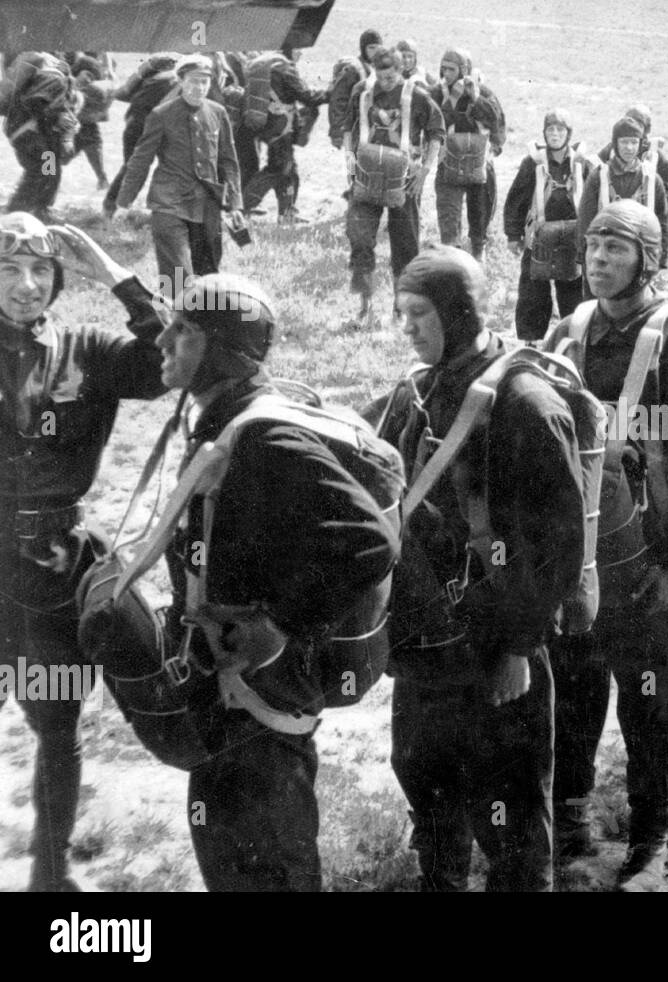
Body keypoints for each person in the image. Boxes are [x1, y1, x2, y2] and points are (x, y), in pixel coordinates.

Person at [155, 273, 398, 890]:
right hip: (229, 679)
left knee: (271, 854)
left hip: (262, 684)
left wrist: (278, 626)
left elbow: (370, 540)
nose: (163, 339)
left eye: (182, 330)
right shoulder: (226, 414)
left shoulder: (263, 432)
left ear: (219, 351)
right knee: (227, 844)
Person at [364, 247, 585, 891]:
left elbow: (559, 545)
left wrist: (521, 646)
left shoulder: (525, 404)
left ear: (459, 313)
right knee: (424, 773)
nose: (408, 328)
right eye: (402, 313)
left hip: (498, 641)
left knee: (509, 803)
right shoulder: (418, 388)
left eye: (421, 314)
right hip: (427, 635)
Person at [544, 199, 668, 891]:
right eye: (593, 247)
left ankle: (652, 835)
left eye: (616, 249)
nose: (599, 260)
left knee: (654, 698)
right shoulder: (570, 332)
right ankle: (569, 815)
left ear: (648, 261)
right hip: (580, 560)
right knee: (572, 686)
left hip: (651, 560)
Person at [0, 213, 169, 890]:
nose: (26, 286)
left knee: (55, 713)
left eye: (41, 271)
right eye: (9, 270)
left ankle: (49, 868)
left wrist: (117, 276)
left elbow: (175, 359)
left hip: (52, 566)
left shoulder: (88, 350)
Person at [114, 55, 243, 302]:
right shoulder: (161, 115)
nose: (200, 88)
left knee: (209, 276)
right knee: (176, 279)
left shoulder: (218, 113)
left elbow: (229, 161)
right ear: (180, 81)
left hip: (207, 205)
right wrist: (124, 201)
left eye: (205, 82)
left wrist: (235, 204)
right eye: (194, 82)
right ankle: (173, 327)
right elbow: (140, 160)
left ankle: (207, 329)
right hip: (168, 203)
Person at [344, 47, 444, 317]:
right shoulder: (363, 92)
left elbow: (436, 133)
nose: (384, 82)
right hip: (366, 175)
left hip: (404, 179)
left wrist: (424, 171)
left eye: (390, 77)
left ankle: (401, 309)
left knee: (405, 244)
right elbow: (348, 126)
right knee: (360, 235)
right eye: (379, 76)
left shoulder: (418, 96)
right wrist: (348, 157)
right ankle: (364, 307)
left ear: (401, 71)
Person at [504, 109, 593, 342]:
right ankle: (531, 341)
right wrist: (513, 235)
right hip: (539, 238)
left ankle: (572, 340)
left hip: (572, 241)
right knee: (533, 292)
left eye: (560, 130)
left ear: (569, 133)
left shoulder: (582, 164)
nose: (555, 134)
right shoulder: (532, 163)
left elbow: (594, 200)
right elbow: (517, 199)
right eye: (550, 130)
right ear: (544, 133)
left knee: (572, 292)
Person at [431, 48, 507, 260]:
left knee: (480, 212)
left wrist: (475, 98)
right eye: (443, 69)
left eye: (451, 69)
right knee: (448, 214)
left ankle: (478, 251)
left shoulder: (483, 92)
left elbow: (497, 121)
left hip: (479, 164)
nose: (446, 73)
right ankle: (452, 256)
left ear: (464, 70)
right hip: (449, 162)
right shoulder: (438, 93)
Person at [241, 49, 327, 224]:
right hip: (280, 127)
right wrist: (331, 93)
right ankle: (242, 208)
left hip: (270, 125)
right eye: (298, 50)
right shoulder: (284, 68)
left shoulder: (269, 63)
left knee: (288, 170)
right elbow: (307, 96)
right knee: (276, 170)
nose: (300, 54)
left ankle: (287, 212)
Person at [3, 53, 80, 220]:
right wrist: (52, 122)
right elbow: (36, 102)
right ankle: (17, 211)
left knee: (49, 170)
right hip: (27, 129)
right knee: (42, 169)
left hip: (25, 129)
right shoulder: (57, 81)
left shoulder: (61, 84)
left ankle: (36, 210)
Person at [576, 114, 668, 251]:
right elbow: (585, 221)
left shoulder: (652, 179)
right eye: (624, 142)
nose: (629, 147)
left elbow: (663, 222)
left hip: (641, 253)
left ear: (640, 144)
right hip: (606, 252)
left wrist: (661, 258)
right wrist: (585, 257)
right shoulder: (598, 177)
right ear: (615, 144)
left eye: (634, 142)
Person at [103, 52, 179, 216]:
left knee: (131, 168)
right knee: (136, 170)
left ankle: (112, 207)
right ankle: (116, 207)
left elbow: (121, 94)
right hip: (147, 130)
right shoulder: (172, 83)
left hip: (134, 126)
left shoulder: (147, 81)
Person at [595, 104, 668, 202]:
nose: (631, 128)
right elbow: (594, 174)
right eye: (628, 123)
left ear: (647, 129)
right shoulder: (611, 150)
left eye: (638, 124)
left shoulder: (655, 155)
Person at [328, 30, 382, 151]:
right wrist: (337, 130)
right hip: (355, 127)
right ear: (363, 48)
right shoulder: (353, 70)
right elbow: (338, 100)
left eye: (378, 48)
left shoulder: (378, 69)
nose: (375, 52)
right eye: (371, 48)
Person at [69, 55, 112, 191]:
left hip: (71, 128)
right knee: (98, 164)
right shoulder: (102, 86)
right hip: (90, 128)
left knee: (51, 156)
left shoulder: (81, 84)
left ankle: (47, 180)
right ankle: (102, 181)